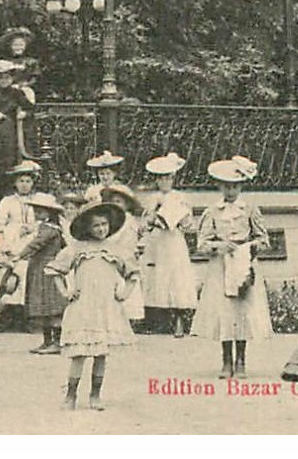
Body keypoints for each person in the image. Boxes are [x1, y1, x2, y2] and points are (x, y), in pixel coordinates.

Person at [50, 201, 138, 411]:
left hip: (106, 308)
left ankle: (95, 395)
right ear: (87, 228)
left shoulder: (117, 250)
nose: (101, 229)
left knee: (100, 353)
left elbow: (133, 274)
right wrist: (66, 292)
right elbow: (55, 271)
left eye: (104, 225)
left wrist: (124, 293)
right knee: (79, 353)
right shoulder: (77, 249)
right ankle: (70, 395)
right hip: (83, 307)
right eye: (96, 225)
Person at [192, 155, 273, 376]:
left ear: (241, 186)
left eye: (235, 186)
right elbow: (201, 244)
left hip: (244, 265)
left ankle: (241, 361)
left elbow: (264, 240)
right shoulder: (213, 211)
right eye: (226, 186)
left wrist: (248, 248)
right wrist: (219, 246)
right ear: (219, 186)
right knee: (225, 312)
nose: (231, 191)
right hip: (221, 267)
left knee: (242, 312)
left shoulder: (249, 210)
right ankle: (226, 361)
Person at [140, 152, 195, 337]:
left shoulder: (180, 197)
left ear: (173, 178)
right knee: (157, 276)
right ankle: (159, 319)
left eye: (168, 178)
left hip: (173, 240)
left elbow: (188, 223)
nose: (165, 182)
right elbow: (144, 223)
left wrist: (180, 218)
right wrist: (152, 216)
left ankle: (179, 319)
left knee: (176, 276)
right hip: (157, 241)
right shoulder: (152, 198)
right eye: (161, 178)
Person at [0, 160, 40, 332]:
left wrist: (33, 228)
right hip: (11, 243)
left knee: (27, 274)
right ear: (15, 183)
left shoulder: (39, 200)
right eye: (21, 181)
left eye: (28, 181)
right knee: (1, 276)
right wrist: (16, 229)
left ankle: (25, 317)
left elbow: (44, 222)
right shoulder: (8, 201)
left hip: (33, 245)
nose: (25, 185)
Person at [19, 192, 68, 353]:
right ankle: (47, 341)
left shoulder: (50, 229)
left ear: (50, 212)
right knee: (43, 305)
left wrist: (19, 255)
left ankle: (56, 342)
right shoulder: (45, 227)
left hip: (46, 269)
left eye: (41, 210)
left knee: (51, 305)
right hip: (39, 267)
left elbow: (36, 244)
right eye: (36, 210)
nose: (37, 213)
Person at [0, 60, 36, 181]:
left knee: (6, 142)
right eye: (1, 78)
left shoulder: (17, 93)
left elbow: (32, 109)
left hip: (11, 128)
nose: (4, 81)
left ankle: (7, 175)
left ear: (12, 78)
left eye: (7, 78)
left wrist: (24, 113)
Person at [99, 184, 148, 327]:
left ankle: (126, 320)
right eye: (113, 202)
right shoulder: (115, 218)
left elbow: (116, 238)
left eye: (119, 202)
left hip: (123, 256)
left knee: (125, 287)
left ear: (127, 204)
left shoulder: (126, 219)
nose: (116, 205)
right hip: (117, 255)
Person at [0, 26, 39, 103]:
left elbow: (34, 78)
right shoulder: (5, 61)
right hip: (7, 88)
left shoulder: (30, 62)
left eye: (21, 45)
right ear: (10, 46)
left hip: (23, 88)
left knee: (28, 93)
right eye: (15, 45)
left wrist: (22, 85)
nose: (18, 48)